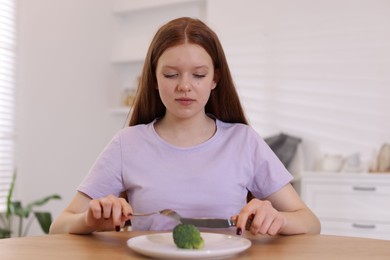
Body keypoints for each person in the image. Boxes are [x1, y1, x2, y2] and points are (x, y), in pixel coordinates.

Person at [49, 17, 320, 236]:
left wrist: (277, 220)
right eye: (171, 74)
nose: (185, 86)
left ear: (215, 79)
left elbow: (309, 222)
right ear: (154, 78)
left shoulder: (243, 141)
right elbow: (59, 226)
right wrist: (90, 220)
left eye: (199, 75)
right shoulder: (126, 144)